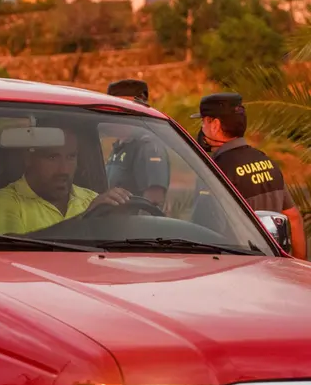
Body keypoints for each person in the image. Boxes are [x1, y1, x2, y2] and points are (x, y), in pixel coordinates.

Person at [192, 92, 307, 259]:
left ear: (215, 125)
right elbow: (294, 219)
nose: (202, 129)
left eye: (203, 122)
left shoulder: (215, 171)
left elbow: (203, 233)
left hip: (235, 271)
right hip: (272, 268)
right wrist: (297, 270)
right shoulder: (268, 163)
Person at [0, 125, 133, 236]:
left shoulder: (91, 200)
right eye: (52, 157)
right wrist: (83, 220)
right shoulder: (4, 203)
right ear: (28, 159)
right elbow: (7, 262)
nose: (64, 170)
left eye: (71, 157)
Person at [104, 79, 170, 207]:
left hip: (134, 225)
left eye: (115, 107)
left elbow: (154, 199)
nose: (110, 112)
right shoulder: (120, 146)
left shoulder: (147, 146)